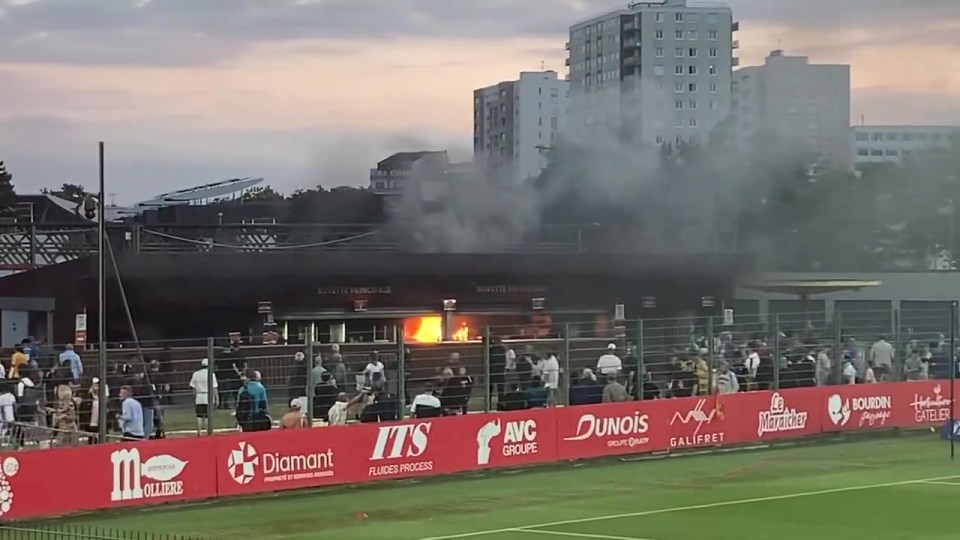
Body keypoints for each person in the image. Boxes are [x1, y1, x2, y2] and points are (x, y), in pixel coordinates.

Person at [188, 359, 219, 436]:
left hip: (199, 396)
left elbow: (193, 387)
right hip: (208, 396)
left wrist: (195, 396)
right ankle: (209, 431)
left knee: (199, 415)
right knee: (208, 416)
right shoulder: (211, 374)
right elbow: (214, 387)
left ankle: (199, 431)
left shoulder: (196, 374)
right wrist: (217, 398)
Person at [77, 378, 101, 444]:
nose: (97, 387)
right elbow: (82, 411)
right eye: (95, 385)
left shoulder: (101, 397)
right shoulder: (87, 398)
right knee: (90, 442)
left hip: (98, 424)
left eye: (98, 385)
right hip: (89, 424)